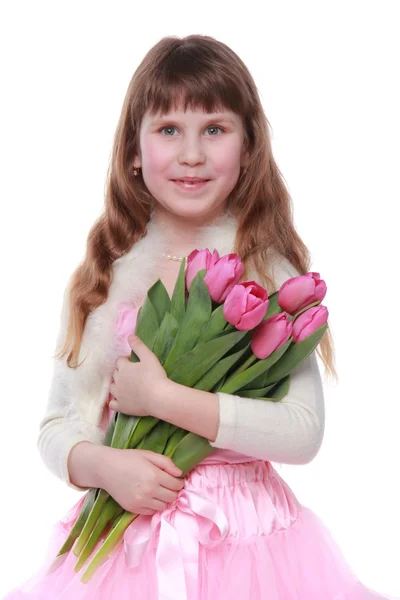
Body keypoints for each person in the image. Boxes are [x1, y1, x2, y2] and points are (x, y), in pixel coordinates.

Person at [4, 34, 398, 600]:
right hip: (126, 545)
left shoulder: (268, 276)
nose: (192, 154)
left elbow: (303, 432)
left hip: (248, 545)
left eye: (214, 129)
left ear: (248, 145)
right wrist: (103, 467)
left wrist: (162, 399)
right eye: (169, 130)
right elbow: (55, 427)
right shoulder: (106, 276)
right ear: (134, 152)